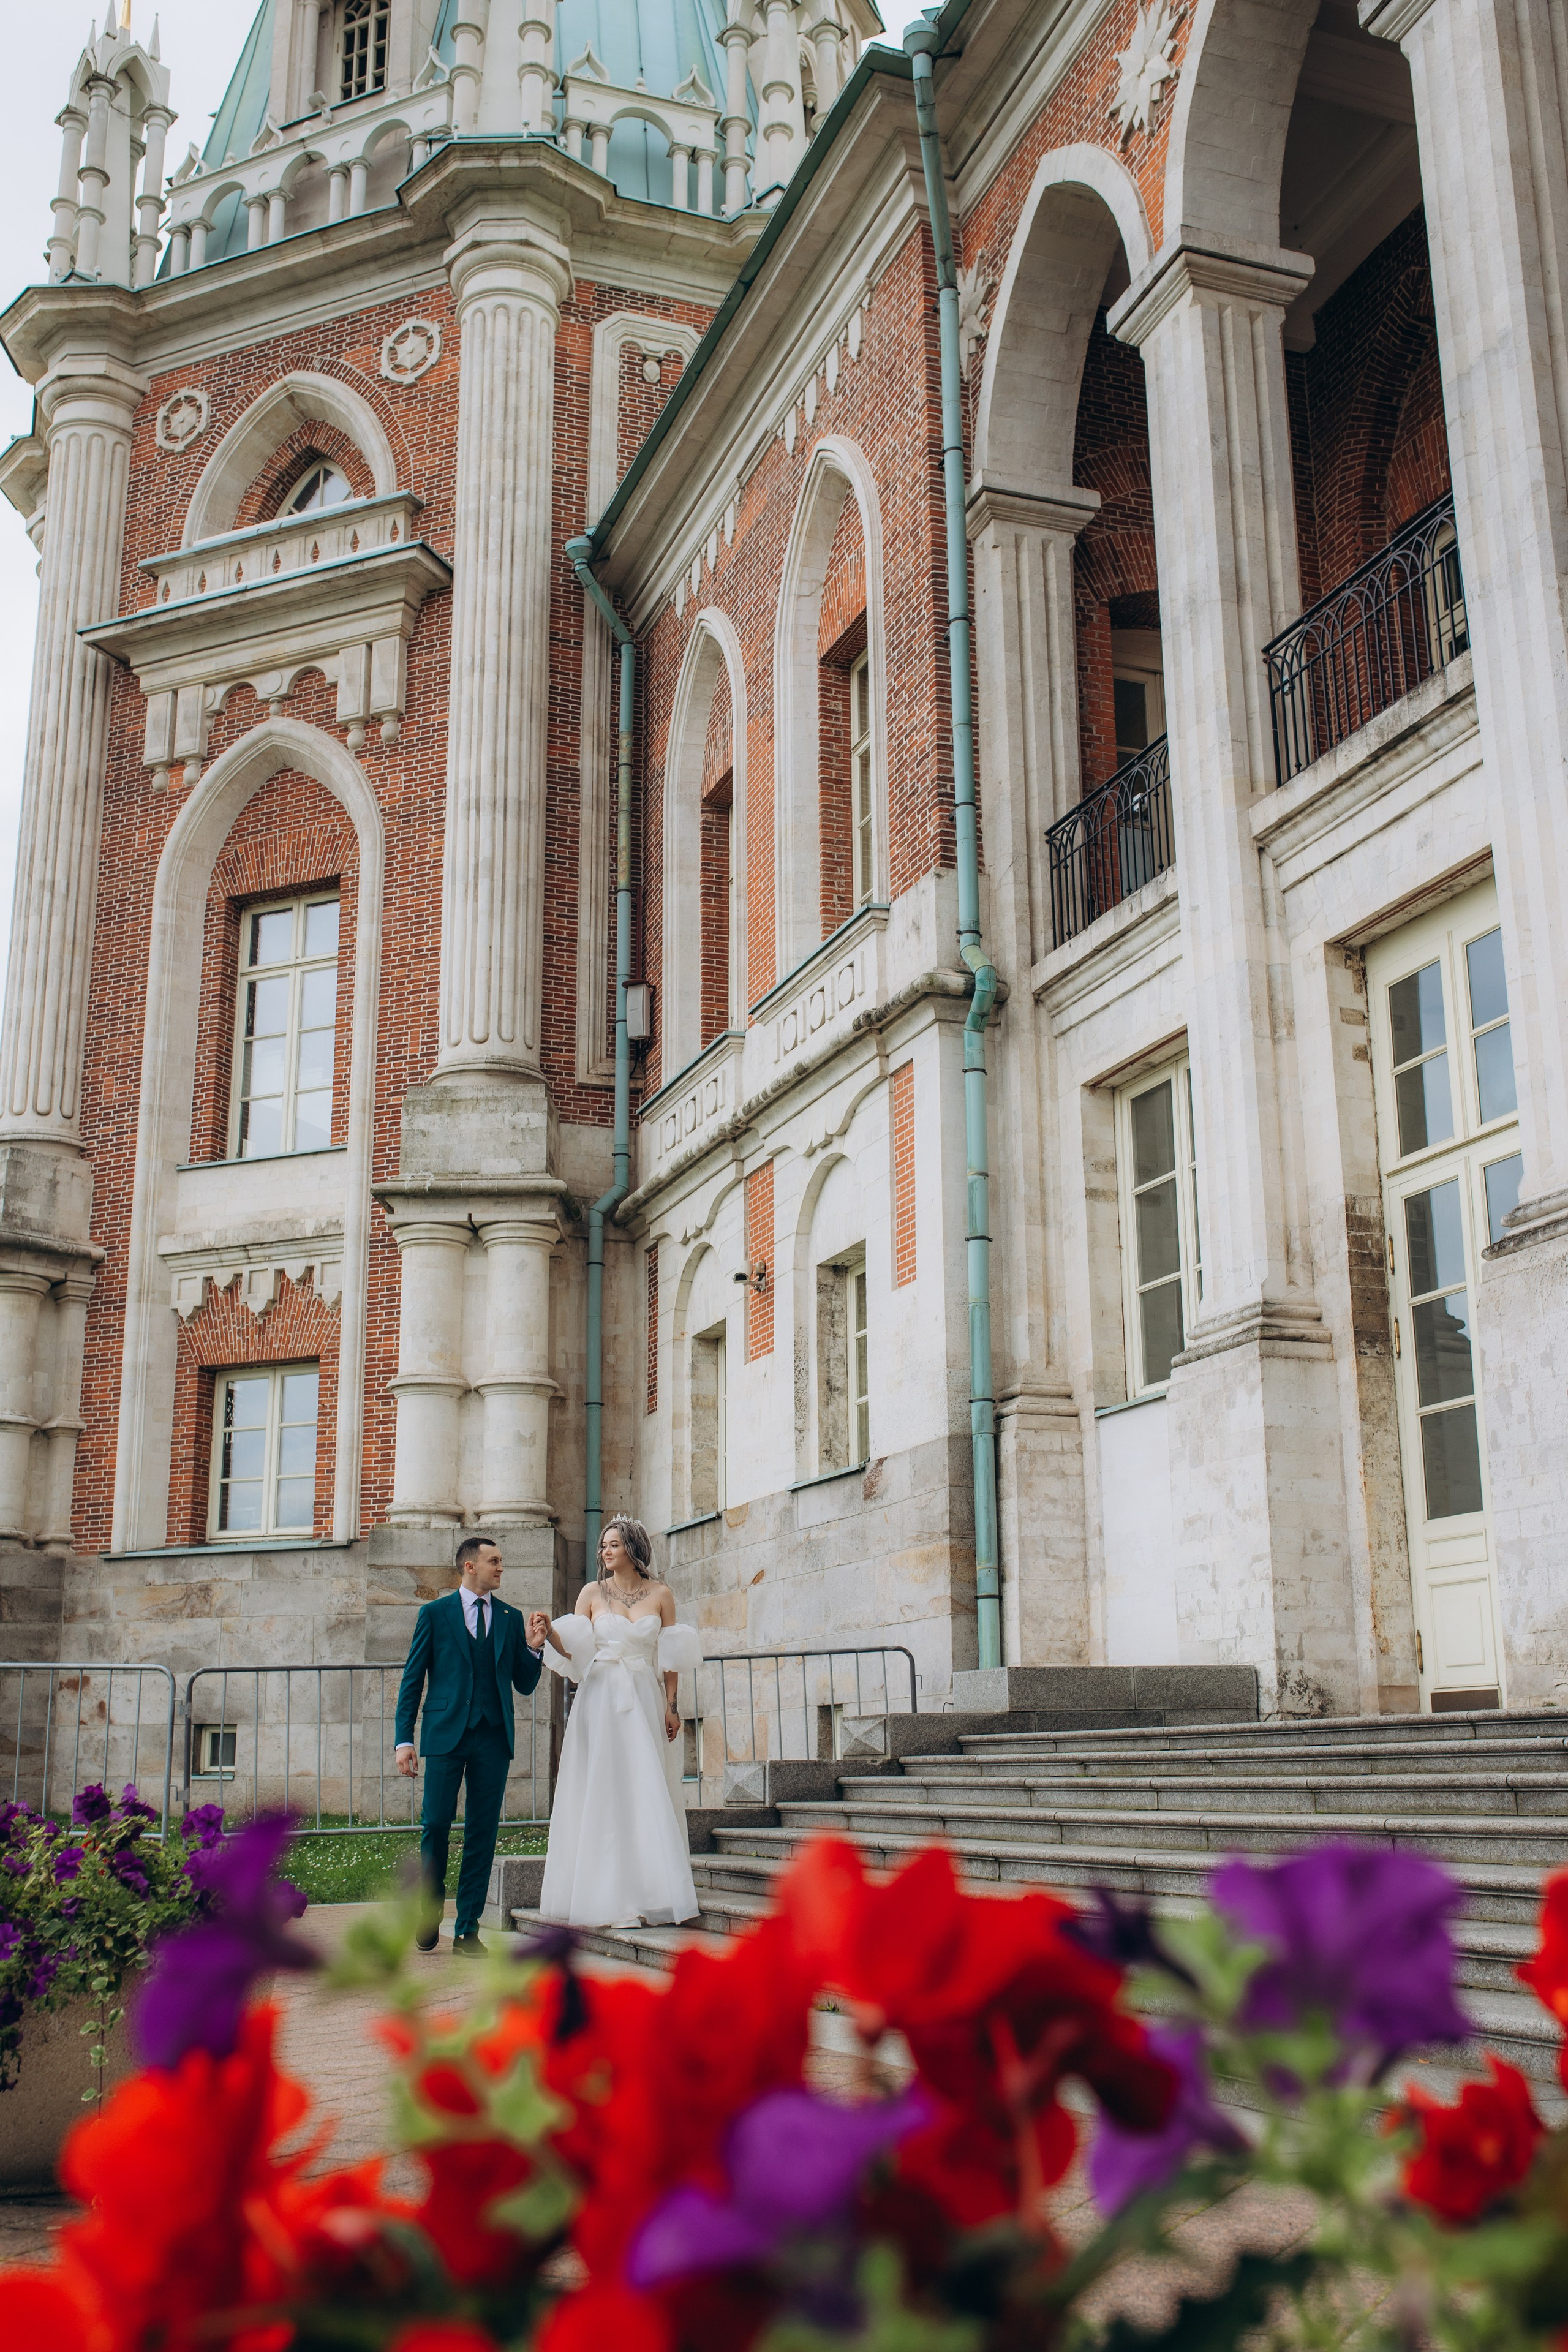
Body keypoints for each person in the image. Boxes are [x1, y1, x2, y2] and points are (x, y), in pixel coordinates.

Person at [537, 1515, 703, 1929]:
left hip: (644, 1695)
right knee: (604, 1786)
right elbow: (575, 1651)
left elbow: (670, 1659)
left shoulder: (662, 1594)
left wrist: (672, 1706)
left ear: (632, 1548)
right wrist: (548, 1634)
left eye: (613, 1545)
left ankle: (651, 1891)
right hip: (600, 1697)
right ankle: (606, 1895)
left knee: (645, 1787)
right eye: (603, 1546)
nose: (605, 1552)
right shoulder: (592, 1593)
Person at [394, 1535, 552, 1954]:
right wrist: (404, 1739)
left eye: (501, 1561)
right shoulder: (434, 1614)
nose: (501, 1568)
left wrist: (534, 1650)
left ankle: (467, 1930)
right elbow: (413, 1681)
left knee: (484, 1832)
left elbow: (523, 1683)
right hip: (445, 1734)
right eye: (494, 1561)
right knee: (436, 1827)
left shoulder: (508, 1616)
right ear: (469, 1567)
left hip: (493, 1736)